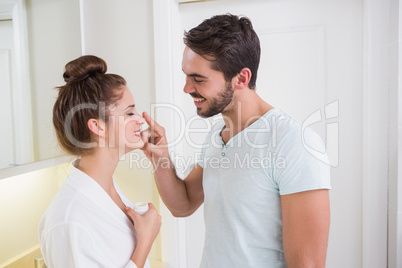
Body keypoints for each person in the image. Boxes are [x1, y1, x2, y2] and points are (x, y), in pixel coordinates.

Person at [140, 14, 331, 267]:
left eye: (198, 78)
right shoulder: (217, 135)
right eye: (186, 75)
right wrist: (161, 157)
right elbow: (183, 205)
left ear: (241, 78)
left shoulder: (294, 143)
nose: (186, 88)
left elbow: (308, 265)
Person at [39, 55, 161, 268]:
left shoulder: (107, 189)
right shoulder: (69, 220)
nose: (141, 119)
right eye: (129, 112)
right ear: (98, 127)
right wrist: (146, 241)